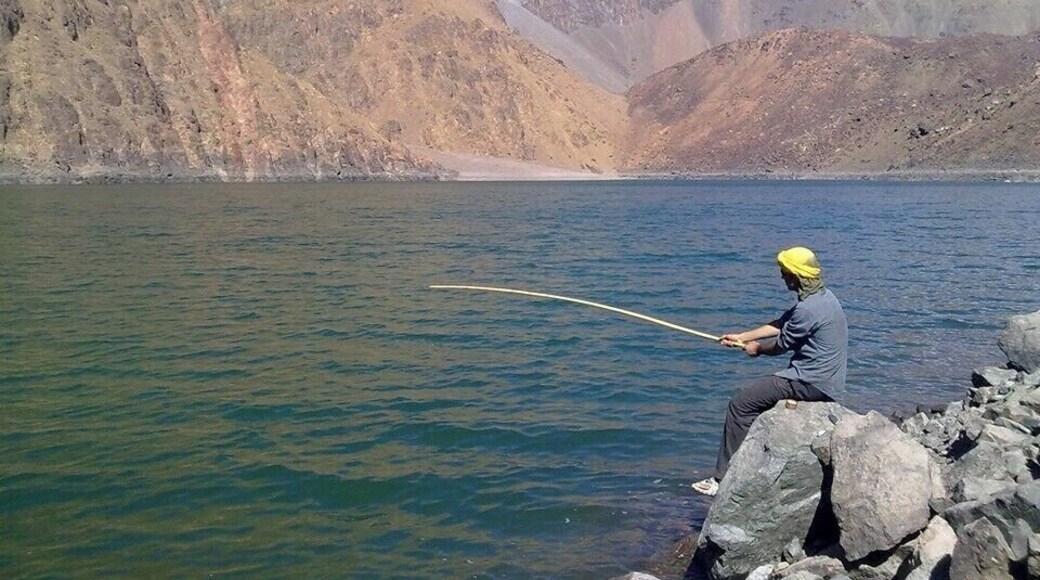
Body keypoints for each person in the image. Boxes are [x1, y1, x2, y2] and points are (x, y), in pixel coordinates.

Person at [691, 246, 848, 497]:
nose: (782, 277)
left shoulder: (807, 310)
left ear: (796, 276)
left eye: (784, 272)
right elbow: (782, 323)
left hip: (810, 382)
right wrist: (741, 336)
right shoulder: (823, 298)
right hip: (826, 379)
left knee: (740, 404)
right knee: (754, 400)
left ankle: (723, 479)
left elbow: (780, 345)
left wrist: (756, 350)